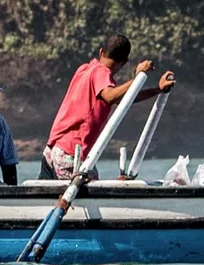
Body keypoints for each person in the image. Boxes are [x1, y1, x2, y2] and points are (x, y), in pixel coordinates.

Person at [42, 34, 177, 180]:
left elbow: (124, 98)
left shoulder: (85, 69)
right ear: (124, 62)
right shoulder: (101, 72)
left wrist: (157, 89)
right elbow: (110, 96)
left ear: (101, 52)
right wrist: (139, 76)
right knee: (92, 188)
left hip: (53, 150)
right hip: (69, 154)